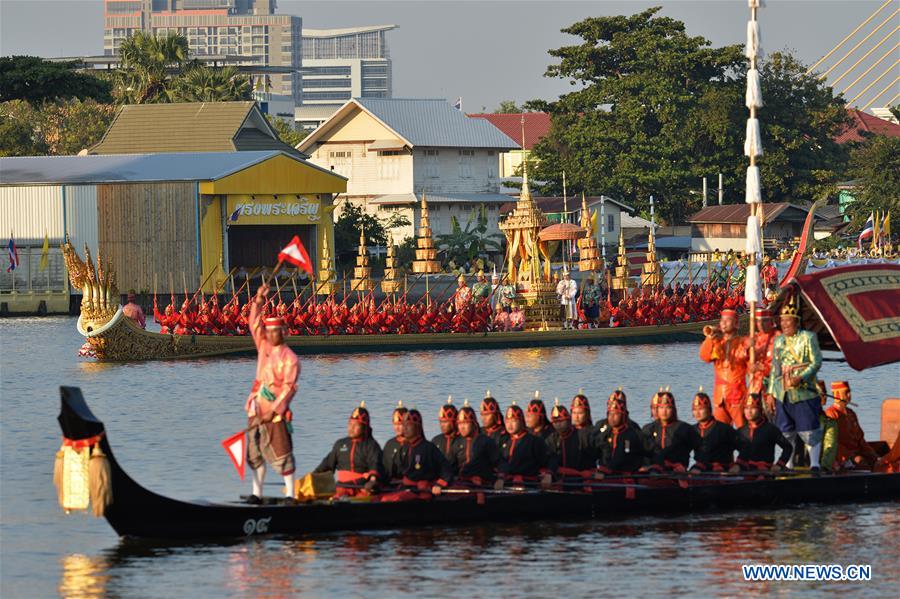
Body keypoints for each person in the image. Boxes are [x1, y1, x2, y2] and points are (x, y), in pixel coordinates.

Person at [245, 284, 299, 503]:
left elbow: (289, 387)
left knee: (281, 451)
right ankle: (256, 494)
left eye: (274, 331)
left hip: (275, 411)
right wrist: (258, 299)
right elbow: (253, 323)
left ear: (282, 333)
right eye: (268, 331)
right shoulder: (263, 346)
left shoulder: (290, 358)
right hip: (256, 406)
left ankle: (290, 494)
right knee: (254, 452)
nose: (269, 334)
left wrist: (275, 410)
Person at [768, 297, 824, 472]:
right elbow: (774, 369)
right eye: (782, 320)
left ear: (796, 321)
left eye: (787, 320)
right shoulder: (778, 341)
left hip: (803, 391)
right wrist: (770, 393)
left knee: (809, 430)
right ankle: (789, 464)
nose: (784, 324)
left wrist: (801, 378)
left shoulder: (808, 338)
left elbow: (816, 362)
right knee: (786, 431)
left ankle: (815, 464)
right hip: (782, 391)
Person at [314, 402, 383, 498]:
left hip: (362, 488)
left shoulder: (372, 446)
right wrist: (311, 478)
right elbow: (326, 466)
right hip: (342, 487)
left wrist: (372, 481)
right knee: (337, 497)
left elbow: (375, 465)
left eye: (356, 425)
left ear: (364, 428)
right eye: (350, 424)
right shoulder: (340, 444)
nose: (351, 428)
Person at [699, 309, 750, 428]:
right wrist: (709, 338)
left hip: (738, 394)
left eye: (728, 321)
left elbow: (751, 367)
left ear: (736, 324)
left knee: (745, 432)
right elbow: (704, 357)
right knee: (720, 434)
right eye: (722, 321)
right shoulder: (717, 342)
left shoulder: (743, 342)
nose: (724, 323)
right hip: (720, 396)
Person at [385, 409, 453, 496]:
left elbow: (446, 470)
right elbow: (395, 471)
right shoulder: (404, 448)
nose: (404, 428)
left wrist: (439, 485)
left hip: (422, 491)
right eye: (404, 425)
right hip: (406, 488)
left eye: (408, 425)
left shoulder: (429, 448)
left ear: (417, 427)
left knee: (391, 500)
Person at [496, 403, 553, 489]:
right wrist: (500, 478)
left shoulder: (533, 441)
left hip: (528, 485)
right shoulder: (504, 440)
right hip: (506, 484)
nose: (510, 425)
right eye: (507, 421)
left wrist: (549, 474)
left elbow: (550, 459)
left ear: (521, 421)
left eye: (514, 421)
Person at [824, 381, 878, 470]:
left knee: (879, 461)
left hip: (856, 452)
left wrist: (873, 455)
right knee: (861, 462)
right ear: (837, 394)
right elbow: (832, 443)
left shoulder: (851, 413)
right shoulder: (831, 414)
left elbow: (860, 439)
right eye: (846, 392)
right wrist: (850, 456)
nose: (849, 395)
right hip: (842, 457)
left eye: (850, 392)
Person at [731, 394, 793, 472]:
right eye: (746, 408)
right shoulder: (740, 431)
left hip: (765, 470)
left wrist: (779, 464)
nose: (749, 412)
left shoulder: (770, 429)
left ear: (761, 410)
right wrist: (735, 465)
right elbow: (727, 449)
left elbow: (788, 447)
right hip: (744, 470)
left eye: (753, 408)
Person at [642, 390, 701, 471]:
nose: (664, 411)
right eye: (661, 408)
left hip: (677, 471)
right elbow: (640, 451)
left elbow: (701, 448)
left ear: (673, 409)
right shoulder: (648, 429)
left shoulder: (684, 428)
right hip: (653, 469)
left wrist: (698, 466)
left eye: (668, 408)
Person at [450, 401, 501, 485]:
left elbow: (500, 463)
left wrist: (501, 478)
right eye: (459, 424)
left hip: (483, 484)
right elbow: (449, 466)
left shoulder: (486, 441)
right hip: (462, 483)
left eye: (465, 423)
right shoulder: (456, 442)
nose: (462, 427)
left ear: (473, 424)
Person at [596, 393, 646, 475]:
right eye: (610, 414)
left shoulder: (632, 434)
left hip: (624, 475)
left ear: (623, 416)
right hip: (604, 473)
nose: (612, 417)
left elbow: (625, 452)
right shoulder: (605, 433)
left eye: (616, 414)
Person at [691, 389, 736, 472]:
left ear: (709, 410)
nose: (697, 413)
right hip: (700, 468)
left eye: (701, 409)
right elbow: (680, 450)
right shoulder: (691, 430)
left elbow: (744, 447)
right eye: (695, 410)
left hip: (722, 468)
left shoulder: (724, 429)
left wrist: (738, 465)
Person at [546, 399, 595, 475]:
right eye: (555, 422)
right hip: (559, 479)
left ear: (568, 420)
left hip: (582, 478)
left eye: (561, 421)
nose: (558, 425)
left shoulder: (582, 436)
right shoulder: (551, 439)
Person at [749, 308, 778, 416]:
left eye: (764, 321)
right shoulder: (754, 338)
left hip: (774, 388)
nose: (761, 324)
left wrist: (763, 368)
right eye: (758, 321)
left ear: (771, 321)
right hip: (756, 387)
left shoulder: (779, 338)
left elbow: (781, 366)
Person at [382, 400, 408, 480]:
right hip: (391, 485)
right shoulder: (389, 444)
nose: (397, 428)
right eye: (395, 424)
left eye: (400, 425)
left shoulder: (415, 443)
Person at [431, 397, 459, 461]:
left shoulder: (462, 440)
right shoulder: (436, 440)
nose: (442, 425)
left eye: (445, 422)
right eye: (441, 422)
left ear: (453, 422)